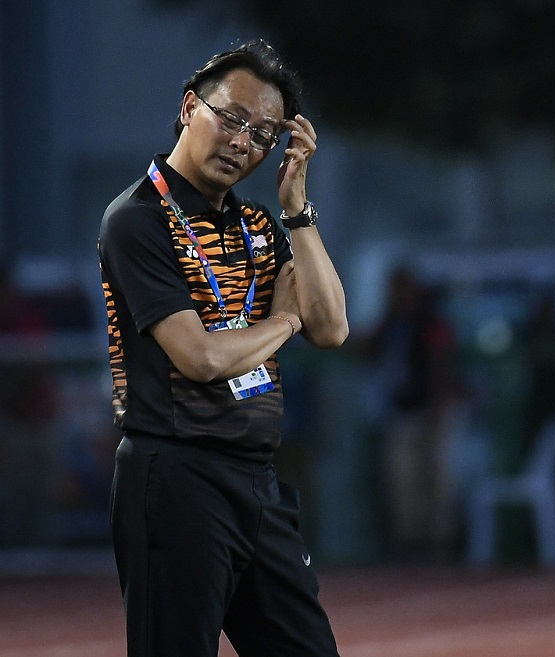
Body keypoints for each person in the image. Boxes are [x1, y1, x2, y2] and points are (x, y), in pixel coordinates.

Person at [97, 40, 348, 657]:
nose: (244, 143)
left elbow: (333, 326)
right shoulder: (138, 219)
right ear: (189, 107)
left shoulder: (260, 225)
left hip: (256, 480)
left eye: (264, 135)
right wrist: (282, 324)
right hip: (175, 477)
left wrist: (297, 209)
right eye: (232, 119)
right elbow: (202, 358)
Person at [360, 265, 462, 562]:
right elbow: (365, 347)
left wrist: (438, 408)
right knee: (402, 481)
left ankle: (441, 544)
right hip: (401, 410)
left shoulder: (429, 320)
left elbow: (441, 364)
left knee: (437, 479)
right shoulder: (392, 321)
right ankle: (410, 543)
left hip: (429, 410)